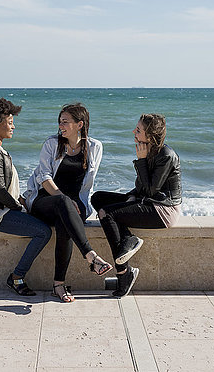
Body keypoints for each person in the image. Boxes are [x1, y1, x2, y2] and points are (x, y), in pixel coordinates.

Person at [24, 103, 112, 303]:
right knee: (64, 204)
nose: (60, 125)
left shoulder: (94, 147)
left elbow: (87, 183)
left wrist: (71, 203)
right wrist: (61, 197)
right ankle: (90, 256)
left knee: (66, 222)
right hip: (45, 200)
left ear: (80, 124)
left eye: (66, 122)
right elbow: (44, 177)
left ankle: (58, 285)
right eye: (60, 121)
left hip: (75, 204)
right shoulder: (52, 144)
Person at [0, 98, 52, 296]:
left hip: (1, 208)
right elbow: (0, 192)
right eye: (10, 121)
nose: (13, 126)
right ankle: (17, 277)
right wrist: (20, 208)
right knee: (43, 232)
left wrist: (22, 201)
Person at [91, 113, 182, 298]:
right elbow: (140, 188)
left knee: (106, 214)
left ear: (150, 135)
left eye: (138, 130)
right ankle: (128, 240)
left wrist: (141, 161)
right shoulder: (149, 151)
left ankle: (124, 273)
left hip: (163, 210)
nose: (134, 131)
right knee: (98, 198)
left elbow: (150, 190)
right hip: (147, 201)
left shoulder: (166, 155)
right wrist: (130, 198)